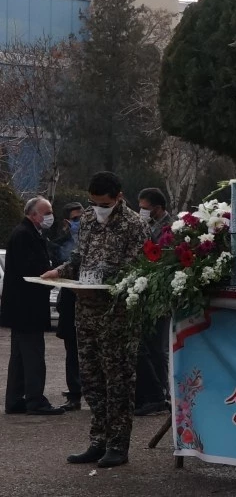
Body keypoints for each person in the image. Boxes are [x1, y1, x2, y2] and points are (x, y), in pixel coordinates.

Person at [41, 172, 149, 468]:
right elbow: (79, 257)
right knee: (91, 379)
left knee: (118, 381)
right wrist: (60, 271)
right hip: (86, 311)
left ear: (118, 197)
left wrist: (102, 279)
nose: (98, 209)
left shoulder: (135, 225)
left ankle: (118, 445)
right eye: (93, 203)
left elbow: (137, 268)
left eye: (104, 204)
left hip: (117, 315)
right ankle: (98, 440)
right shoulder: (88, 219)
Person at [1, 197, 64, 416]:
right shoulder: (24, 235)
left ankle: (15, 399)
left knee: (20, 357)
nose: (50, 217)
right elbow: (31, 269)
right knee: (33, 355)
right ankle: (35, 400)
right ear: (33, 214)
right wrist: (52, 274)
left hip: (21, 307)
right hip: (27, 307)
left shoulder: (29, 233)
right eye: (46, 213)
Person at [134, 187, 173, 416]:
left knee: (158, 348)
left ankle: (162, 393)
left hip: (160, 294)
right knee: (148, 346)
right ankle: (154, 393)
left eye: (145, 208)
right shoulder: (146, 226)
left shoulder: (170, 228)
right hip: (146, 292)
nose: (141, 211)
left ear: (158, 208)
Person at [52, 202, 85, 411]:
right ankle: (74, 393)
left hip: (92, 302)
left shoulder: (96, 238)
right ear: (67, 222)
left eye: (82, 217)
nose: (80, 222)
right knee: (72, 351)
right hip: (70, 302)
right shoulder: (59, 244)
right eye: (75, 219)